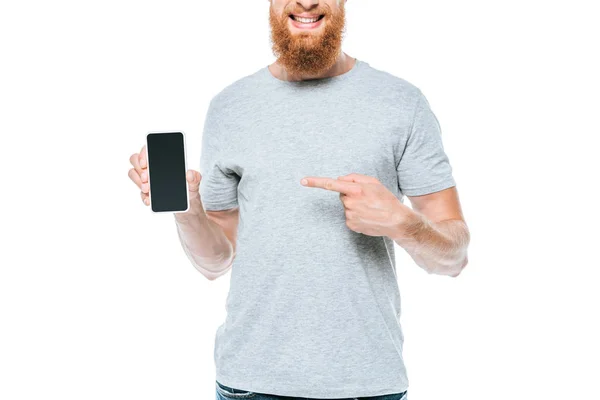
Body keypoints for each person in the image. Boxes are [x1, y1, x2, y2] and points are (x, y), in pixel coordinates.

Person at [128, 0, 470, 399]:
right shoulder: (230, 107)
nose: (306, 2)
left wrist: (402, 222)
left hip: (367, 384)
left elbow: (454, 259)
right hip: (250, 384)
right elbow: (215, 262)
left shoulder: (401, 102)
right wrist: (188, 211)